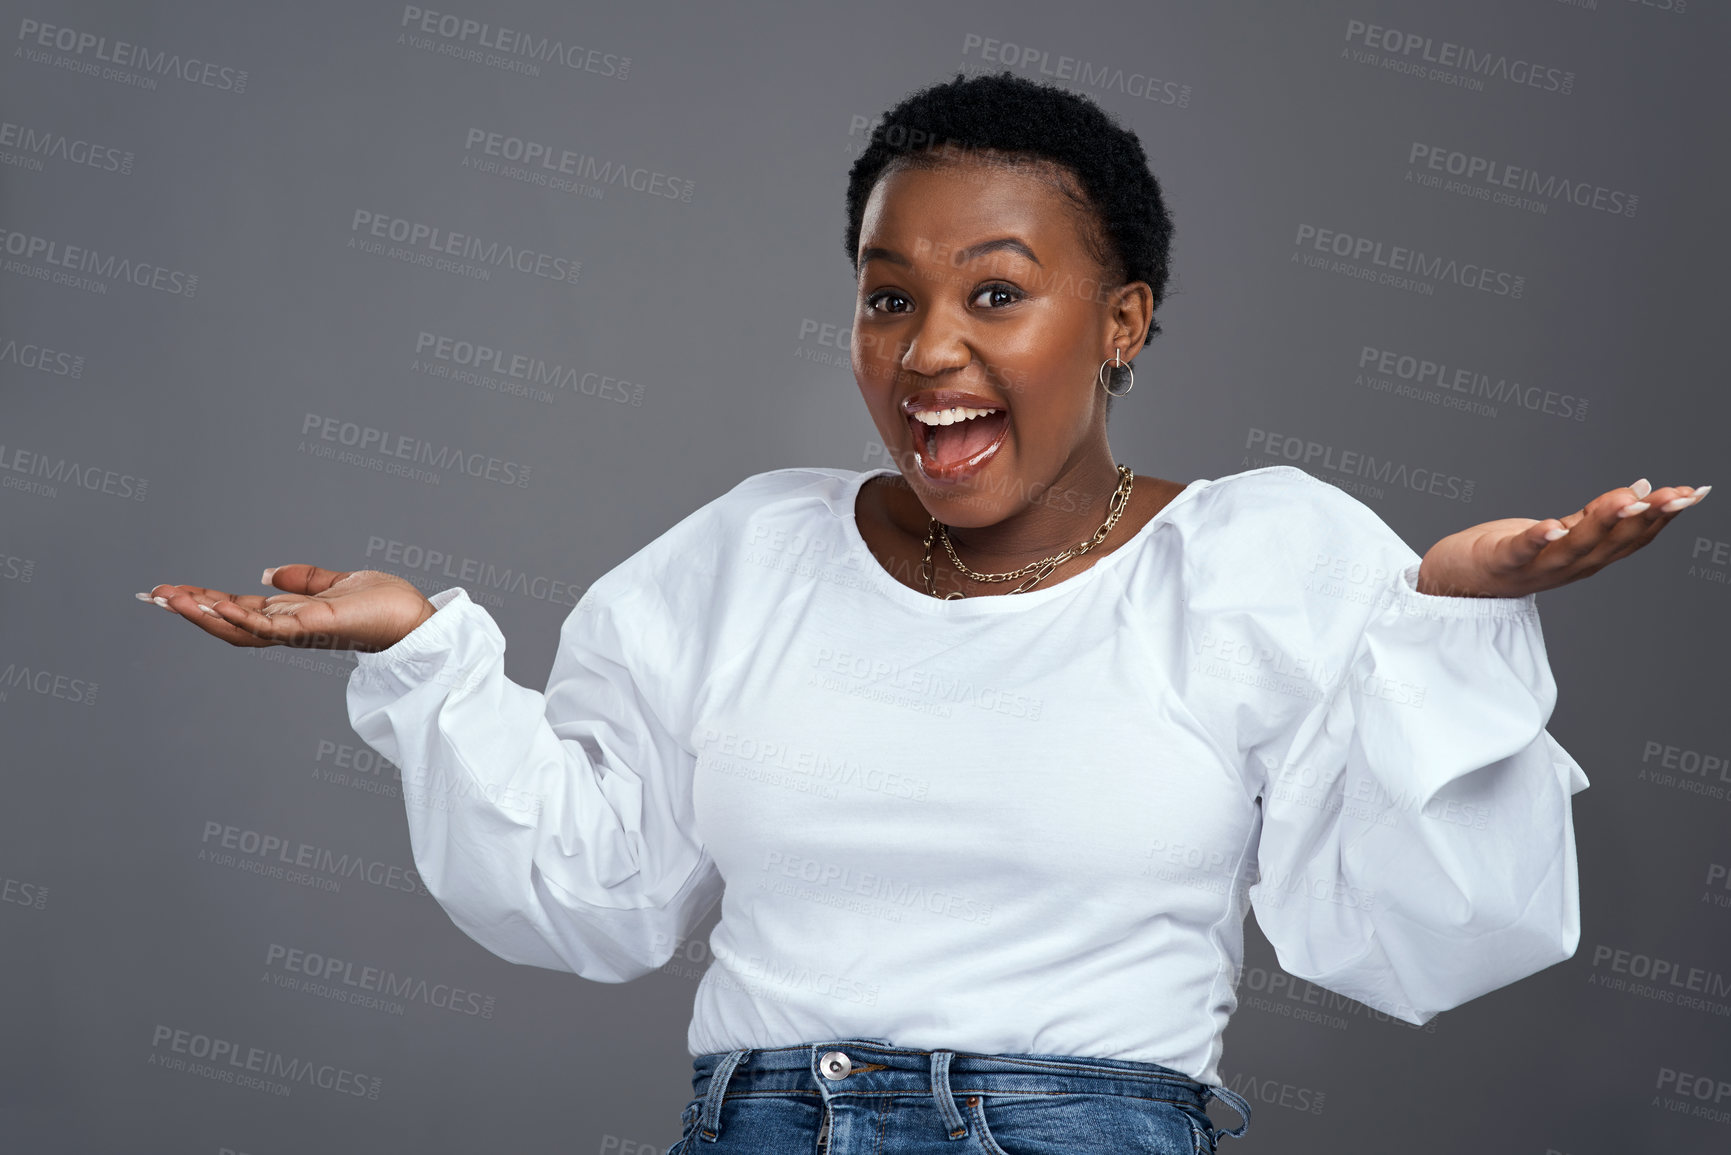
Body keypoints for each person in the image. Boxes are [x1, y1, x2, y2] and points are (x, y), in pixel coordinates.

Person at [141, 71, 1707, 1154]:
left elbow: (1426, 939)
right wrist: (422, 656)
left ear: (1124, 321)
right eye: (891, 295)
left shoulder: (1256, 561)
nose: (928, 350)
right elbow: (594, 888)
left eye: (998, 292)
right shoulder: (751, 554)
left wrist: (1447, 623)